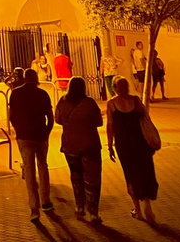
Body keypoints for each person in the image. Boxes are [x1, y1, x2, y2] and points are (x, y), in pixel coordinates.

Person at [107, 76, 159, 223]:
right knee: (145, 172)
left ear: (114, 88)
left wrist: (110, 146)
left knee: (130, 174)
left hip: (124, 144)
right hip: (140, 142)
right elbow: (146, 117)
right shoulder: (136, 101)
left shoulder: (112, 104)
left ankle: (137, 209)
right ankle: (147, 206)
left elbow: (110, 125)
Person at [55, 76, 104, 223]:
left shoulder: (62, 102)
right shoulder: (89, 103)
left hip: (70, 146)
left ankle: (79, 207)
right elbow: (99, 122)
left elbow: (57, 119)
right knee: (92, 180)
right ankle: (93, 213)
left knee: (76, 177)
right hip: (90, 145)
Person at [9, 69, 54, 222]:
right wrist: (46, 132)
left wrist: (18, 129)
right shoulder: (43, 94)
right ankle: (46, 200)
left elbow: (11, 116)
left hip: (24, 136)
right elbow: (50, 117)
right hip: (40, 135)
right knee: (43, 166)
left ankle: (34, 208)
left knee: (28, 170)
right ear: (36, 79)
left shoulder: (15, 93)